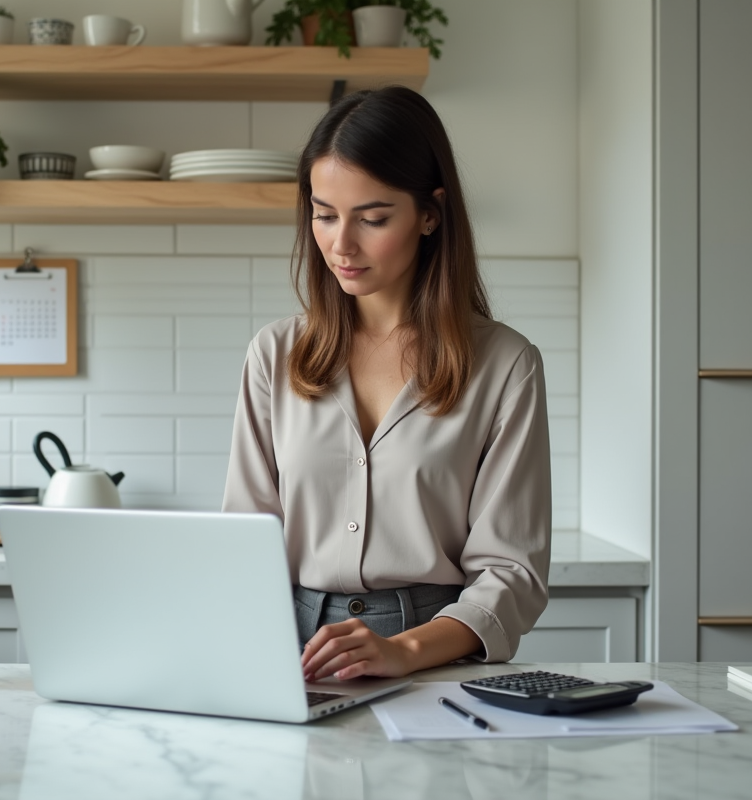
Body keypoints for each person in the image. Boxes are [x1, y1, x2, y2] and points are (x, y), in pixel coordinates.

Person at [222, 86, 551, 682]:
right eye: (324, 215)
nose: (340, 245)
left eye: (372, 219)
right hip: (291, 651)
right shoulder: (274, 354)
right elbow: (245, 540)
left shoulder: (505, 364)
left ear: (430, 213)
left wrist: (404, 649)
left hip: (434, 650)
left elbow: (512, 573)